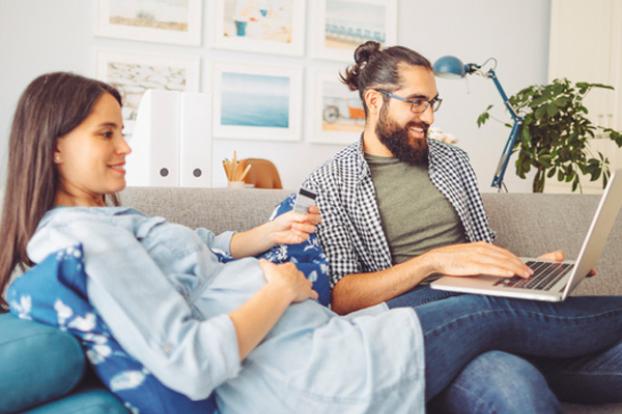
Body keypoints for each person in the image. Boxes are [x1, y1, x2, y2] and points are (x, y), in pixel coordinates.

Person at [1, 72, 622, 414]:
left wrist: (259, 237)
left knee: (509, 315)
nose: (126, 147)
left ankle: (545, 299)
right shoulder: (90, 244)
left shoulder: (112, 223)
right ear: (54, 146)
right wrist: (281, 288)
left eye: (122, 130)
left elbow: (196, 243)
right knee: (499, 327)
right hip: (316, 362)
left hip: (316, 344)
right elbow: (190, 363)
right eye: (106, 133)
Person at [301, 41, 622, 412]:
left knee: (531, 373)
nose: (429, 117)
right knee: (517, 391)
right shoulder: (328, 183)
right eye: (416, 102)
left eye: (433, 103)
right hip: (416, 317)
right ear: (375, 101)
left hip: (485, 306)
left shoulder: (452, 160)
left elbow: (479, 250)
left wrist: (525, 268)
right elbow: (342, 297)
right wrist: (433, 261)